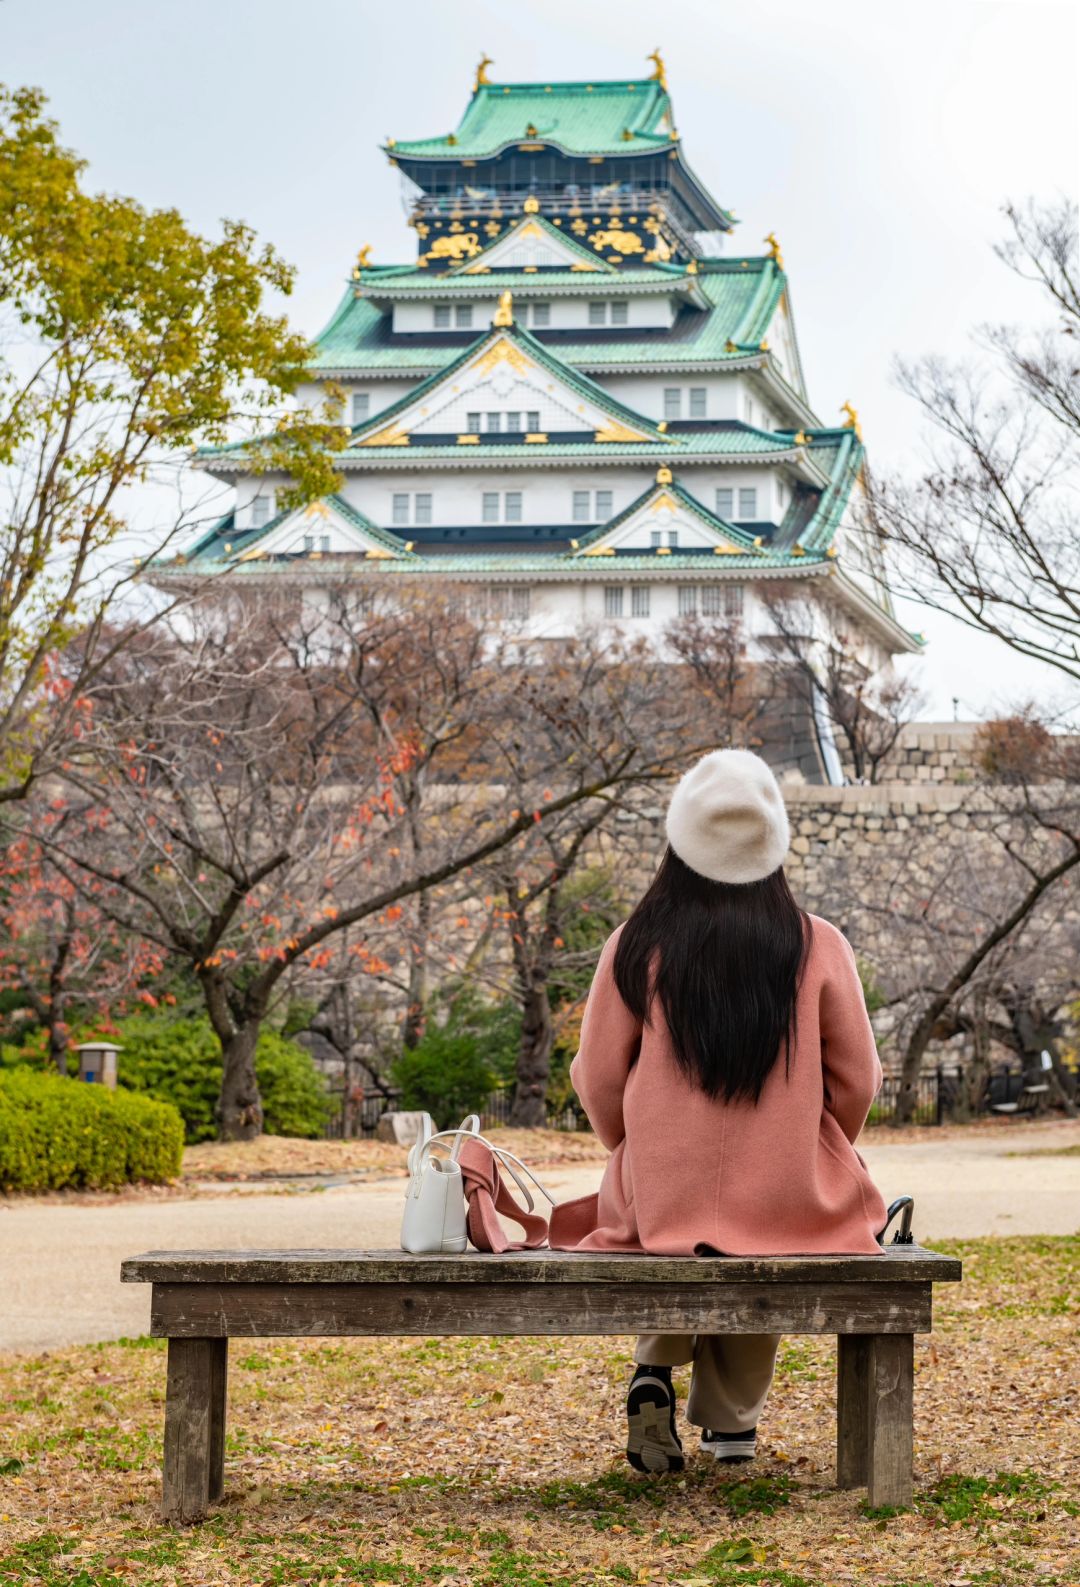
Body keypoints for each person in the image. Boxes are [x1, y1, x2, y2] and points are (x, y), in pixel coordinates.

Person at [547, 749, 887, 1474]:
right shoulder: (817, 944)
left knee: (673, 1223)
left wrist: (630, 1146)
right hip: (784, 1188)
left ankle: (655, 1366)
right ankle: (732, 1426)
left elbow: (598, 1077)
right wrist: (814, 1146)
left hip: (659, 1193)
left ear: (679, 841)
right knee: (770, 1224)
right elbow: (859, 1079)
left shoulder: (635, 946)